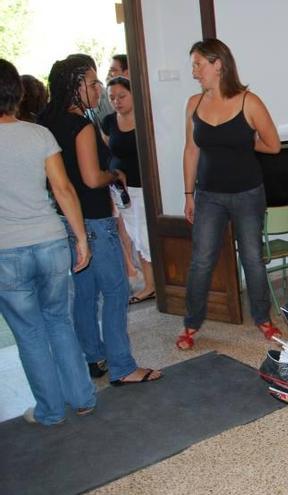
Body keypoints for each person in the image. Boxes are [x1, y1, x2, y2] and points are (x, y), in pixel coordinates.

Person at [38, 56, 161, 385]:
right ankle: (123, 366)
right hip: (94, 219)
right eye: (92, 84)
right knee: (116, 291)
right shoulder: (80, 126)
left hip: (67, 220)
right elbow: (92, 177)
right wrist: (115, 174)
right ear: (75, 86)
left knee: (85, 292)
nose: (98, 90)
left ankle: (93, 356)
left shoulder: (47, 121)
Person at [0, 58, 97, 426]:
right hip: (51, 241)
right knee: (59, 322)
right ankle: (84, 397)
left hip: (6, 250)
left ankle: (51, 411)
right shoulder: (38, 134)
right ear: (17, 92)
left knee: (29, 332)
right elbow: (63, 189)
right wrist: (82, 239)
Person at [178, 38, 282, 350]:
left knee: (252, 258)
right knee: (201, 260)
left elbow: (273, 145)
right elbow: (190, 150)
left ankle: (263, 318)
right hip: (208, 194)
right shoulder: (193, 103)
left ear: (218, 64)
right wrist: (188, 194)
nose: (195, 71)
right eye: (194, 65)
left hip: (247, 193)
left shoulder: (248, 101)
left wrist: (245, 142)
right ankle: (191, 324)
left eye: (199, 64)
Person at [102, 76, 155, 304]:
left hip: (146, 188)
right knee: (135, 237)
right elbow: (107, 152)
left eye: (121, 96)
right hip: (121, 190)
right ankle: (149, 284)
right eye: (112, 98)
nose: (117, 102)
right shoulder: (108, 122)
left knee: (146, 237)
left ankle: (155, 284)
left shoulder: (146, 119)